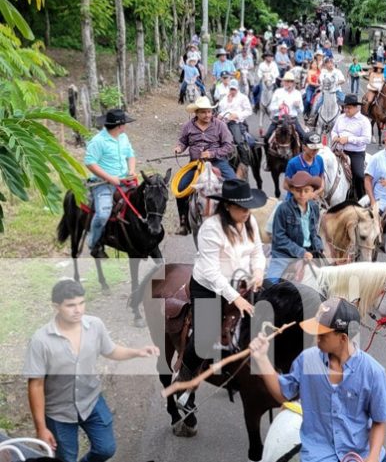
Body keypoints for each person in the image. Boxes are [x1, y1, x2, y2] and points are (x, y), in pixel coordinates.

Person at [24, 279, 159, 462]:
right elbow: (36, 385)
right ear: (56, 306)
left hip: (91, 402)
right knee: (66, 458)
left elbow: (111, 350)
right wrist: (41, 428)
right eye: (70, 305)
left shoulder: (95, 325)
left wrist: (137, 352)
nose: (78, 310)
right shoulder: (41, 341)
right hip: (59, 412)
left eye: (81, 303)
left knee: (106, 449)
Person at [249, 297, 386, 462]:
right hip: (318, 456)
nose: (316, 338)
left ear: (343, 338)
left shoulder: (374, 372)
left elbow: (379, 421)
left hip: (361, 454)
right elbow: (283, 395)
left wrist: (373, 457)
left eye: (323, 335)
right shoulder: (307, 360)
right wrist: (262, 359)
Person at [177, 180, 265, 389]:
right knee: (204, 336)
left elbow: (257, 252)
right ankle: (184, 377)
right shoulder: (210, 229)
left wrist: (259, 272)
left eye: (248, 207)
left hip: (242, 280)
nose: (247, 212)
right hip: (210, 286)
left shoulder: (250, 222)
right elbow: (211, 272)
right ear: (227, 206)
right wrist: (235, 298)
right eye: (242, 208)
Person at [173, 96, 236, 235]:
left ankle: (234, 220)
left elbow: (228, 146)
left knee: (234, 183)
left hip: (218, 162)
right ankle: (183, 222)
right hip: (195, 164)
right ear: (196, 113)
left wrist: (212, 153)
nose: (207, 115)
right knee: (180, 187)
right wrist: (179, 147)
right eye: (203, 112)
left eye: (209, 112)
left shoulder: (220, 125)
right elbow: (183, 141)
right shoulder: (188, 126)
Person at [84, 109, 137, 258]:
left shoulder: (124, 137)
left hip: (124, 180)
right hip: (102, 183)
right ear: (120, 125)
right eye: (124, 123)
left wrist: (132, 170)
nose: (125, 126)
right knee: (103, 214)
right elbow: (90, 163)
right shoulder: (98, 141)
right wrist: (110, 178)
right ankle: (94, 244)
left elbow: (131, 155)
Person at [269, 171, 324, 280]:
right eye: (298, 191)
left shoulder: (314, 208)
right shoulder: (283, 209)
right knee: (271, 282)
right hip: (285, 255)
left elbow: (313, 232)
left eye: (306, 191)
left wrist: (319, 246)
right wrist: (301, 252)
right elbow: (279, 238)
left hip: (310, 251)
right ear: (292, 190)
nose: (302, 194)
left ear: (312, 191)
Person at [331, 93, 372, 200]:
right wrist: (335, 136)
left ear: (356, 107)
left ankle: (361, 199)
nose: (346, 110)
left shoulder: (364, 121)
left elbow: (367, 139)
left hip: (355, 153)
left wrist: (349, 139)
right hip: (339, 150)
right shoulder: (340, 118)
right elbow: (334, 131)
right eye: (345, 107)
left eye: (348, 108)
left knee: (359, 175)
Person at [283, 131, 325, 200]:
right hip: (294, 201)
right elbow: (285, 185)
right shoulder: (293, 163)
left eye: (317, 148)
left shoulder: (319, 160)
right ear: (304, 147)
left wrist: (315, 193)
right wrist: (303, 195)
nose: (315, 151)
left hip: (312, 201)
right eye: (312, 148)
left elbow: (322, 180)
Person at [218, 79, 254, 148]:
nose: (232, 91)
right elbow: (221, 109)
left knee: (238, 141)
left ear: (237, 89)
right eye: (231, 89)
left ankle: (244, 157)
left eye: (234, 89)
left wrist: (237, 115)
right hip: (223, 122)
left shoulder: (243, 97)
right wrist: (220, 115)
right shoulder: (225, 97)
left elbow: (249, 111)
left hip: (235, 122)